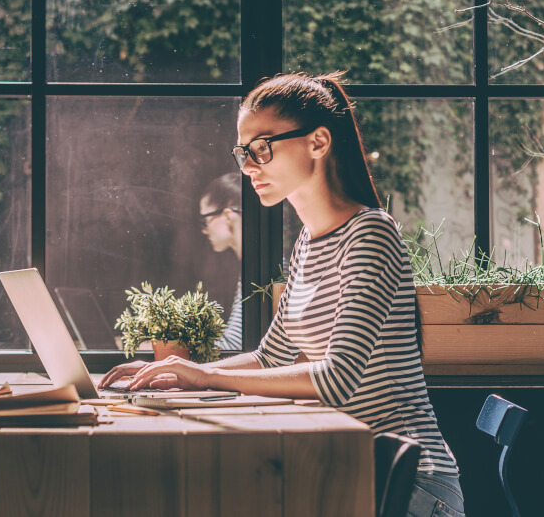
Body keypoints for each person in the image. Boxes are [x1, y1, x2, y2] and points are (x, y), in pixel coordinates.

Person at [100, 72, 464, 517]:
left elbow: (335, 381)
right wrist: (181, 371)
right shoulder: (308, 246)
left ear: (318, 142)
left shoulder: (371, 234)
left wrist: (206, 377)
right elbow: (271, 357)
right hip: (348, 468)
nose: (249, 165)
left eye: (262, 147)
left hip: (408, 483)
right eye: (243, 152)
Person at [199, 173, 244, 350]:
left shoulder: (256, 271)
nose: (204, 230)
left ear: (227, 216)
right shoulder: (249, 267)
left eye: (205, 220)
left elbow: (235, 346)